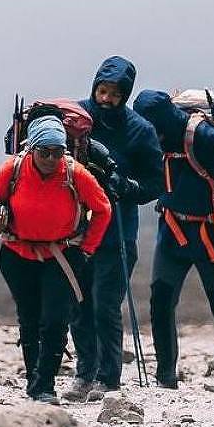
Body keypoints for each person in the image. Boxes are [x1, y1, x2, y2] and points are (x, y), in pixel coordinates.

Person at [0, 116, 111, 404]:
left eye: (57, 152)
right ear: (31, 149)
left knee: (55, 320)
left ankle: (46, 386)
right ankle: (34, 382)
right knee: (28, 318)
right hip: (17, 255)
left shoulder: (75, 173)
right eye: (44, 152)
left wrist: (86, 249)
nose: (51, 158)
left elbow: (102, 209)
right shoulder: (12, 169)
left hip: (62, 256)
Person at [133, 90, 214, 395]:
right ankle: (165, 377)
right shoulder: (151, 137)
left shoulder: (202, 136)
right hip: (172, 230)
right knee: (160, 300)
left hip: (212, 232)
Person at [65, 56, 163, 400]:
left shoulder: (140, 130)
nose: (106, 99)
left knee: (105, 305)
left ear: (126, 95)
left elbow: (155, 184)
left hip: (118, 232)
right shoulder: (75, 119)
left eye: (114, 94)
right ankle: (83, 375)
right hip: (74, 231)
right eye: (101, 90)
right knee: (79, 303)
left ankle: (109, 379)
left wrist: (126, 186)